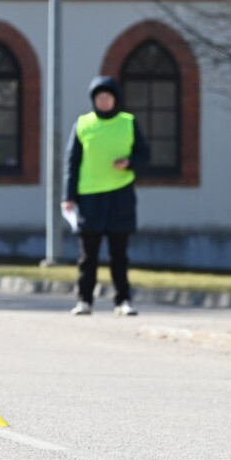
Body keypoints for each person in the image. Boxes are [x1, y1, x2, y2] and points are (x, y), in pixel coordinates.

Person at [62, 75, 150, 317]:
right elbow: (72, 162)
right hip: (89, 198)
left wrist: (130, 162)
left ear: (115, 99)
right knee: (87, 256)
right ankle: (84, 301)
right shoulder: (82, 124)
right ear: (94, 100)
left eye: (107, 97)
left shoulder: (128, 122)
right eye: (99, 98)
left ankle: (123, 301)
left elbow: (145, 155)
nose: (103, 101)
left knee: (119, 255)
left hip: (120, 196)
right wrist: (68, 196)